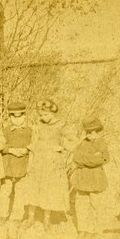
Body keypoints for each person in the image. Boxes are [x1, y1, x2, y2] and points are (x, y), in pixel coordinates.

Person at [23, 99, 76, 231]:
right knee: (34, 188)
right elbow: (33, 140)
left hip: (52, 162)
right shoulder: (38, 125)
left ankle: (47, 219)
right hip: (38, 160)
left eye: (45, 115)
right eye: (41, 115)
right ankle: (31, 217)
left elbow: (73, 141)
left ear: (53, 113)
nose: (43, 117)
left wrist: (62, 146)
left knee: (49, 189)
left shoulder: (61, 125)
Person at [70, 116, 109, 239]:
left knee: (95, 205)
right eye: (87, 132)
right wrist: (90, 157)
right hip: (82, 179)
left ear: (98, 132)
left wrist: (83, 159)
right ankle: (82, 229)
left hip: (95, 179)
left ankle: (94, 230)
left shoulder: (102, 143)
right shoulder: (83, 142)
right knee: (81, 205)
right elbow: (75, 156)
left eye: (91, 133)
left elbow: (101, 159)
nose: (89, 135)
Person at [0, 102, 32, 226]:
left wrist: (27, 149)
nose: (17, 120)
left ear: (24, 116)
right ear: (10, 117)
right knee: (5, 191)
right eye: (13, 117)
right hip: (8, 166)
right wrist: (10, 150)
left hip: (23, 166)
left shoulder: (29, 131)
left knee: (20, 192)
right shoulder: (5, 131)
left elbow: (34, 144)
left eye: (20, 116)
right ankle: (2, 215)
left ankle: (17, 216)